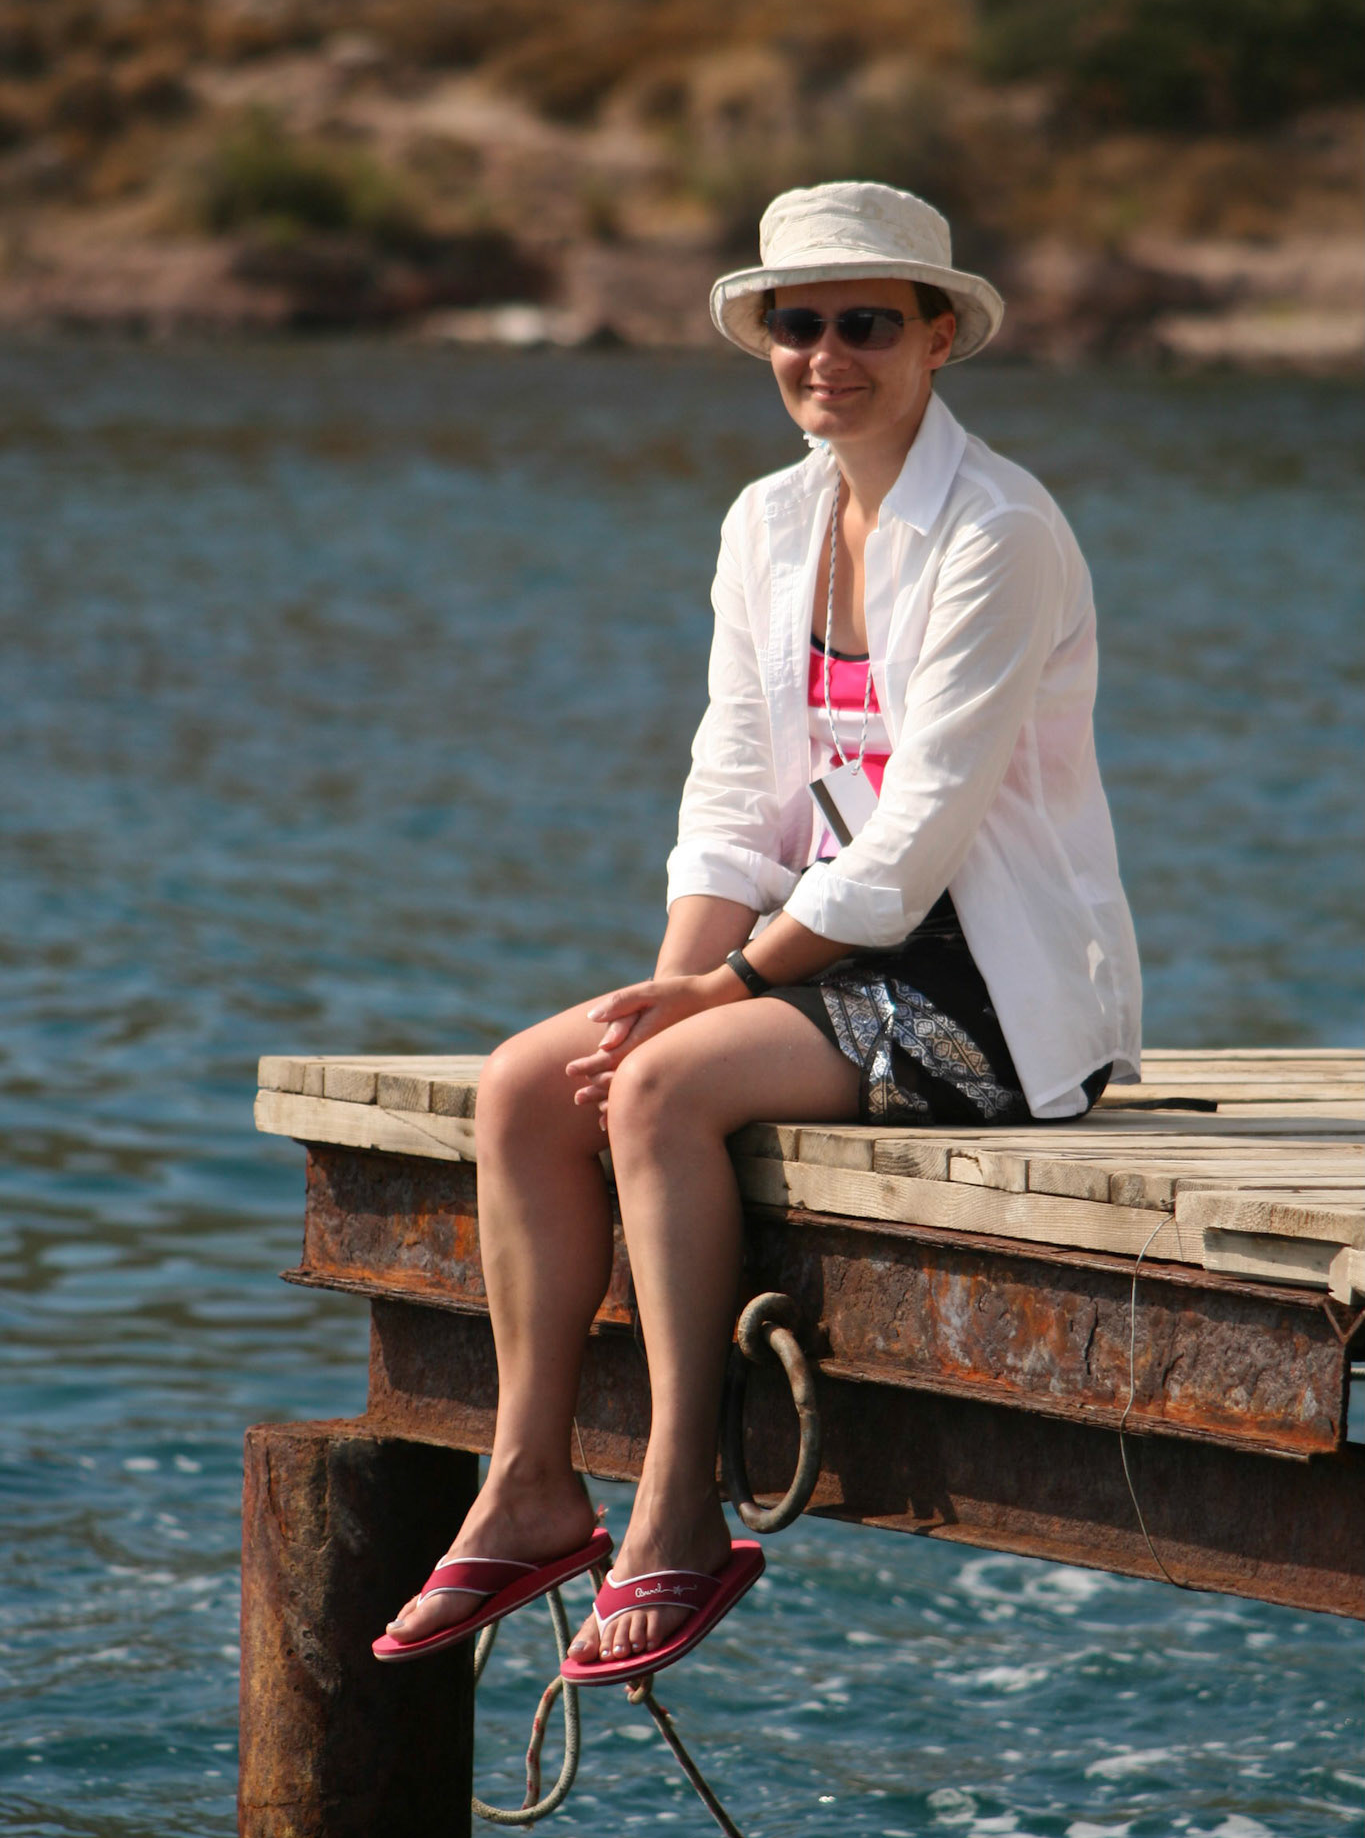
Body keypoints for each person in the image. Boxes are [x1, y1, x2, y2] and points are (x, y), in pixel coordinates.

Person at [373, 181, 1141, 1684]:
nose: (825, 354)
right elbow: (733, 788)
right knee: (533, 1083)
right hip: (816, 950)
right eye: (797, 324)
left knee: (660, 1086)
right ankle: (530, 1484)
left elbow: (919, 838)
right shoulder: (767, 521)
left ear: (938, 339)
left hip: (982, 976)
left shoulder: (998, 529)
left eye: (865, 323)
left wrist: (717, 996)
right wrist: (672, 983)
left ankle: (672, 1511)